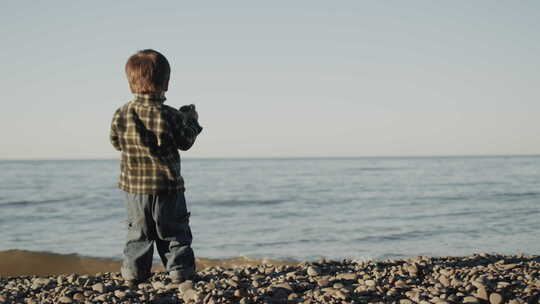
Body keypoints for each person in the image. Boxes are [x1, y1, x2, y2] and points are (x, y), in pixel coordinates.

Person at [109, 49, 201, 284]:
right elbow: (186, 142)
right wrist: (191, 121)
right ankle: (181, 273)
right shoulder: (171, 115)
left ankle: (133, 275)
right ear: (166, 83)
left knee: (137, 233)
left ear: (130, 83)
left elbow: (115, 142)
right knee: (174, 232)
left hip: (134, 189)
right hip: (168, 188)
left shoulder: (121, 113)